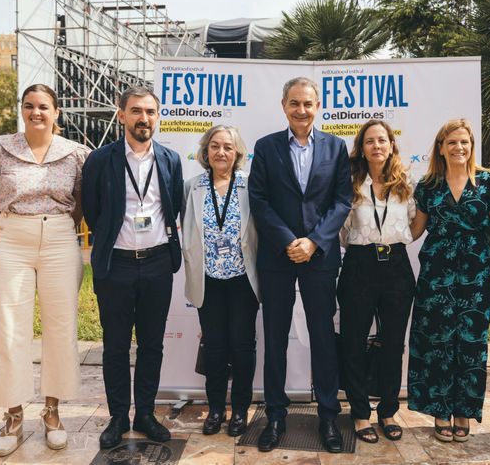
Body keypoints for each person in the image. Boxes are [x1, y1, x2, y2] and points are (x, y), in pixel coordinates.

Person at [0, 84, 90, 457]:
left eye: (43, 106)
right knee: (8, 329)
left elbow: (79, 205)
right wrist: (16, 230)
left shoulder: (76, 154)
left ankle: (52, 412)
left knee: (61, 327)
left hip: (59, 239)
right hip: (12, 240)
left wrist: (55, 229)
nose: (36, 112)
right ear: (21, 110)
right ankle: (13, 415)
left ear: (56, 112)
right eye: (29, 106)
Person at [248, 77, 352, 453]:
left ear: (317, 106)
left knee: (323, 338)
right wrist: (288, 241)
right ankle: (275, 416)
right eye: (294, 103)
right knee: (275, 339)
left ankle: (328, 417)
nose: (301, 110)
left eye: (308, 104)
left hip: (319, 257)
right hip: (277, 257)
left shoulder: (336, 147)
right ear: (284, 106)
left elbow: (342, 201)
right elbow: (259, 200)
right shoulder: (266, 147)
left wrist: (314, 241)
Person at [81, 86, 183, 449]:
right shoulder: (100, 159)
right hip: (117, 266)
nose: (144, 118)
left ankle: (146, 414)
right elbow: (92, 210)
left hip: (157, 263)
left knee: (152, 345)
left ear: (157, 117)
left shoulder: (170, 159)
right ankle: (118, 417)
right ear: (122, 114)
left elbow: (174, 205)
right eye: (136, 111)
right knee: (115, 346)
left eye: (150, 112)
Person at [406, 119, 490, 443]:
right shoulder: (428, 185)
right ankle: (440, 410)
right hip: (436, 274)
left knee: (471, 342)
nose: (458, 147)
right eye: (452, 142)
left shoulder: (487, 182)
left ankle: (463, 411)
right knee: (437, 341)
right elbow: (415, 231)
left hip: (475, 274)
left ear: (471, 146)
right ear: (441, 148)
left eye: (464, 142)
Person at [338, 120, 417, 444]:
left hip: (397, 265)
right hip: (359, 264)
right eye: (370, 141)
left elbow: (414, 222)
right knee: (353, 343)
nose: (377, 146)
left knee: (393, 344)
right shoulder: (350, 182)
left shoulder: (405, 181)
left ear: (391, 145)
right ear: (362, 147)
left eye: (382, 140)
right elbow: (342, 229)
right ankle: (359, 413)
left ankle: (388, 411)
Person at [181, 125, 259, 437]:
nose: (221, 152)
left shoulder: (250, 185)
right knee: (214, 347)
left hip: (243, 280)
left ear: (237, 152)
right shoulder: (192, 187)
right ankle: (215, 409)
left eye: (228, 147)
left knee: (242, 346)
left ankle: (240, 409)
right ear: (206, 151)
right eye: (215, 146)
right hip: (208, 280)